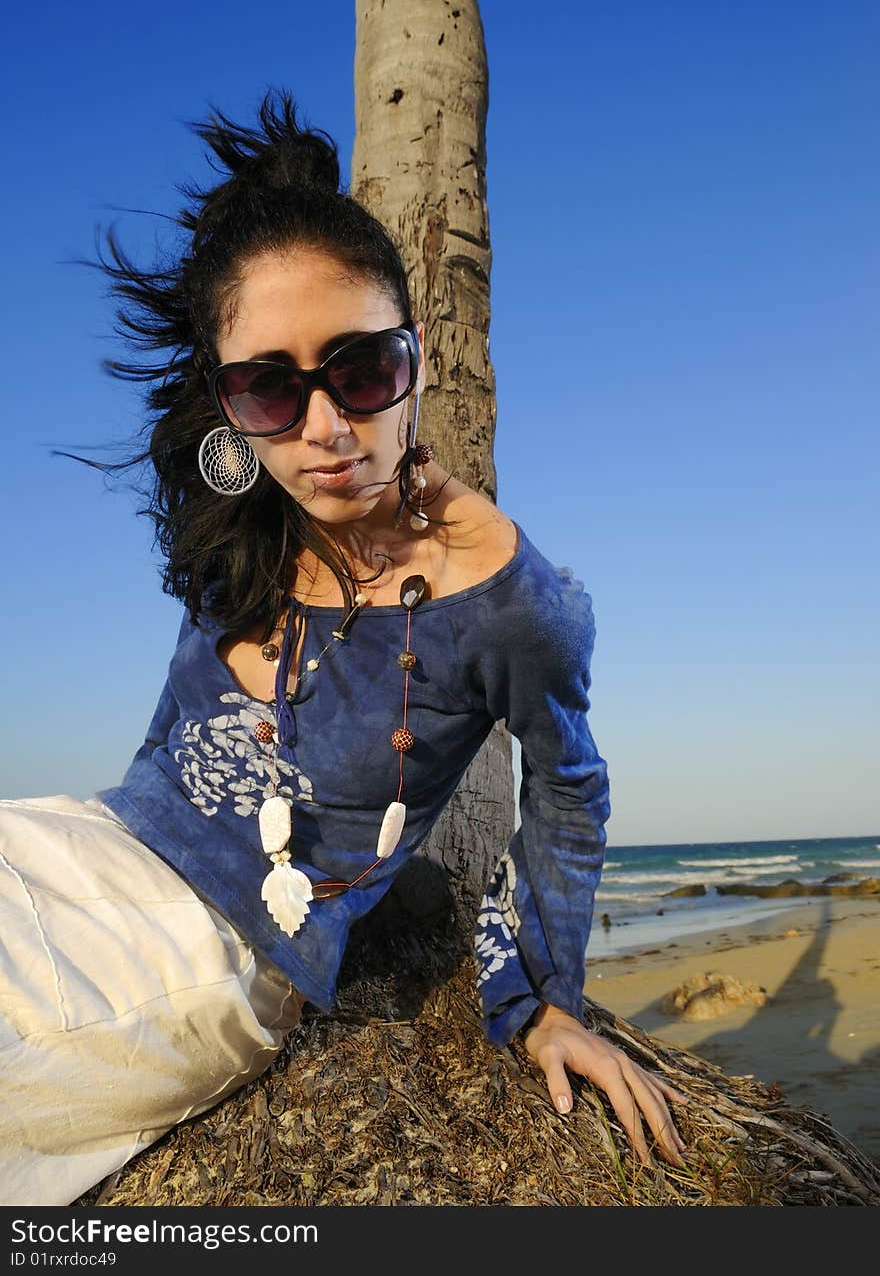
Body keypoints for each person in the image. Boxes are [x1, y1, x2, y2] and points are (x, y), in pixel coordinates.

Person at [0, 92, 685, 1207]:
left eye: (360, 370)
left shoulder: (508, 598)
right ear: (228, 397)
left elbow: (568, 789)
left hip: (211, 955)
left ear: (411, 361)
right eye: (269, 384)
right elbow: (164, 753)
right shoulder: (252, 515)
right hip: (85, 845)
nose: (323, 426)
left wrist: (542, 1002)